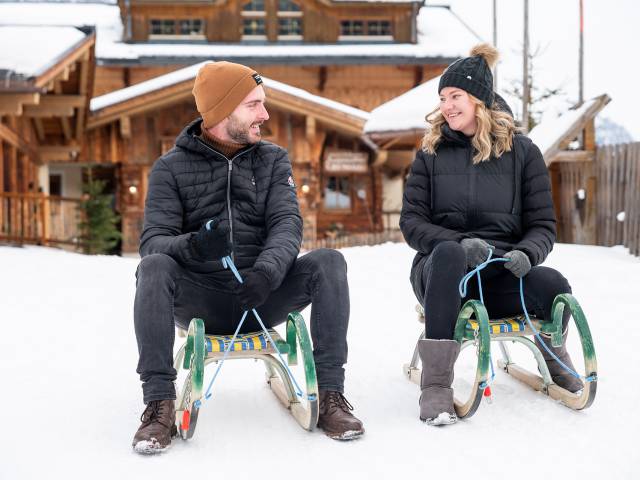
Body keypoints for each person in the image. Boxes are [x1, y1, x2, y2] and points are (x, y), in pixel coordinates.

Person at [132, 61, 364, 453]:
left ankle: (330, 396)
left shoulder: (273, 160)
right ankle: (159, 405)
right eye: (254, 105)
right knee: (153, 267)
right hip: (202, 299)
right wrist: (193, 246)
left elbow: (287, 224)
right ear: (223, 110)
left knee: (329, 262)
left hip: (262, 294)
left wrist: (267, 273)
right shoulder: (170, 169)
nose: (265, 115)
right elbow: (153, 241)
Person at [399, 44, 583, 426]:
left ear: (479, 100)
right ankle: (436, 384)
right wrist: (459, 244)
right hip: (443, 275)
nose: (447, 106)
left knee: (554, 284)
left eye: (455, 96)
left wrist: (528, 254)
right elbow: (412, 224)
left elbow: (543, 226)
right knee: (450, 252)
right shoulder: (430, 153)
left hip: (499, 273)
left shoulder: (523, 153)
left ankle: (552, 355)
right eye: (443, 98)